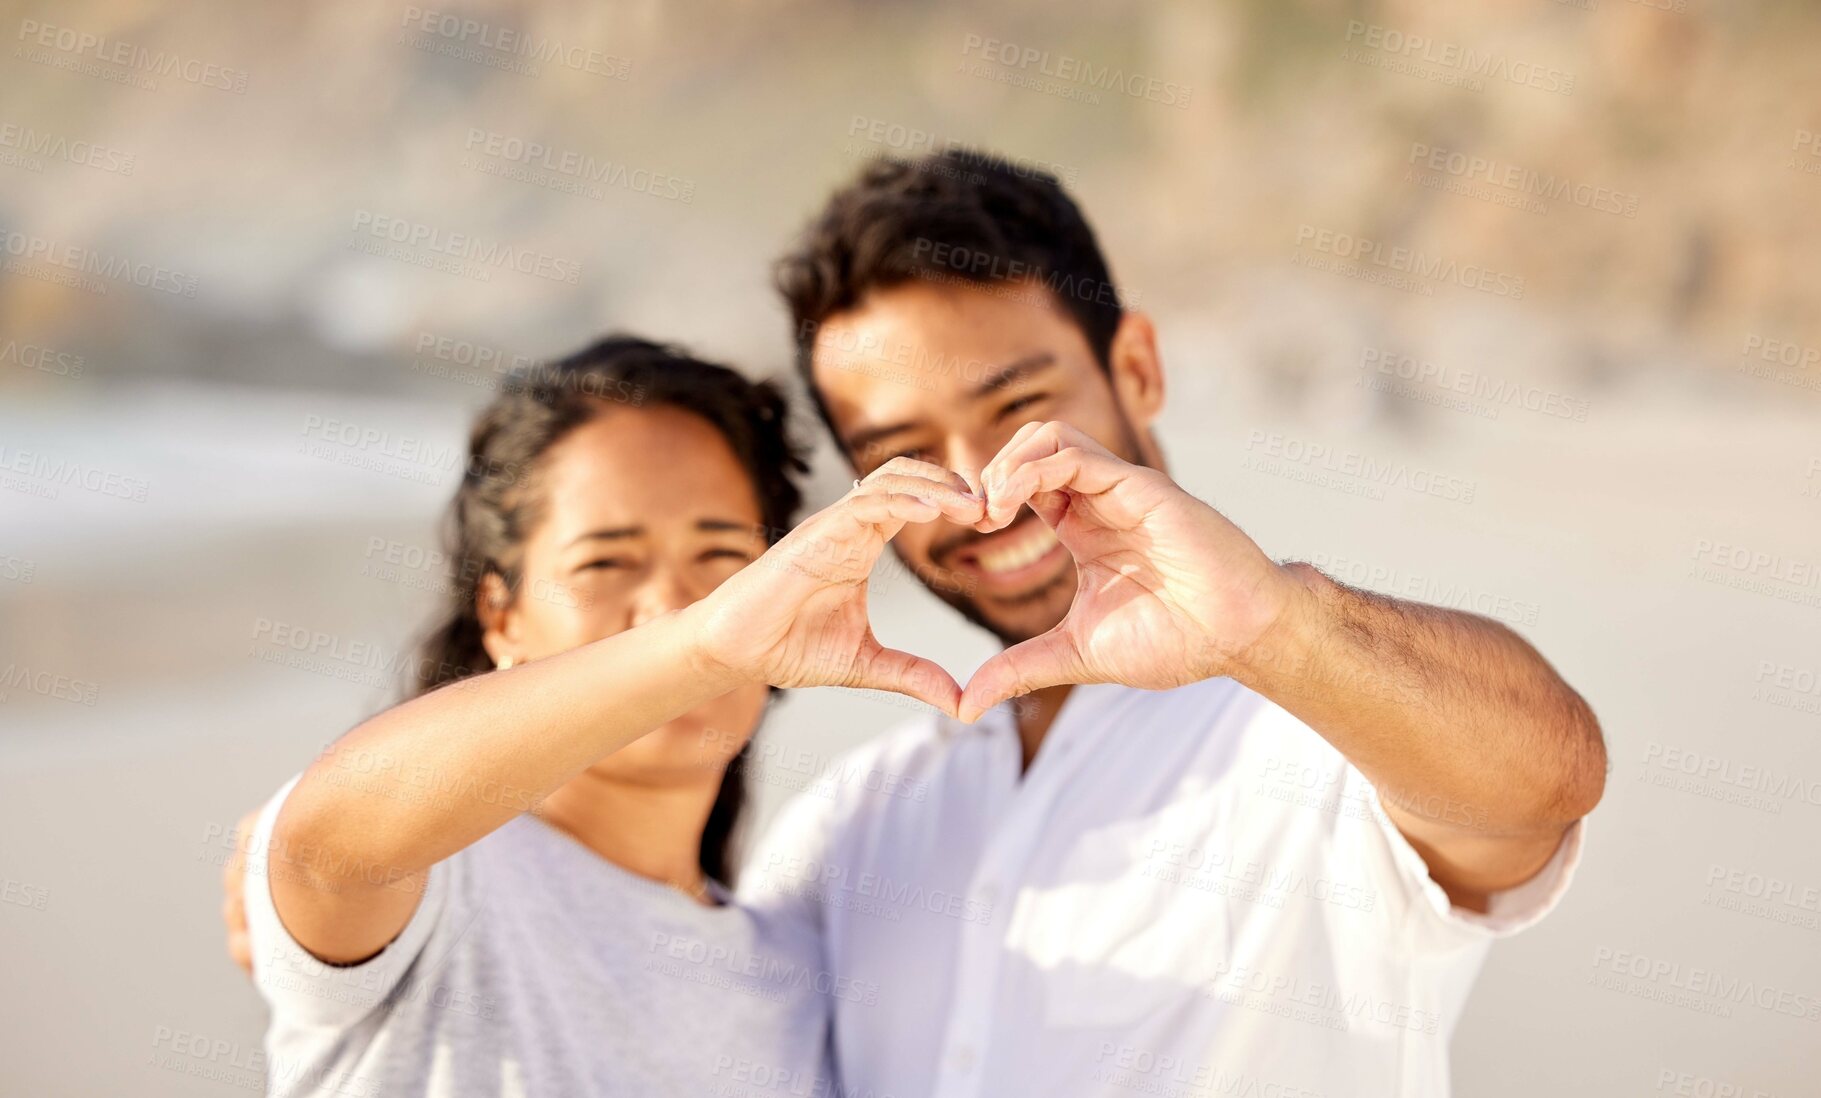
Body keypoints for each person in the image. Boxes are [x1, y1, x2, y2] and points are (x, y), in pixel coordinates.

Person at [732, 150, 1609, 1098]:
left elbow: (1545, 780)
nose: (979, 495)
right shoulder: (850, 824)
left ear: (1138, 369)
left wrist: (1272, 627)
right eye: (900, 454)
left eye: (1019, 408)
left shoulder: (1321, 733)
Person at [228, 335, 994, 1097]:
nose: (669, 605)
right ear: (501, 615)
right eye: (604, 562)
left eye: (722, 557)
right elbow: (325, 845)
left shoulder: (796, 976)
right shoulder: (438, 880)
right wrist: (696, 647)